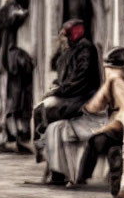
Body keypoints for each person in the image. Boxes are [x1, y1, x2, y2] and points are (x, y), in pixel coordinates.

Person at [76, 46, 124, 198]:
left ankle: (82, 176)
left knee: (98, 142)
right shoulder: (117, 80)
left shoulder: (116, 81)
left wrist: (106, 127)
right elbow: (97, 103)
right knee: (115, 157)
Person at [33, 19, 100, 158]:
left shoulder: (85, 50)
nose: (61, 39)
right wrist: (56, 86)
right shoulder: (69, 50)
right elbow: (65, 76)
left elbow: (80, 80)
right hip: (70, 93)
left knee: (47, 109)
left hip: (81, 96)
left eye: (64, 36)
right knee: (40, 108)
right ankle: (44, 146)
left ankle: (47, 147)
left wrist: (58, 91)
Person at [0, 0, 34, 154]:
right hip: (10, 59)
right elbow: (9, 24)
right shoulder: (10, 7)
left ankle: (20, 133)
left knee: (21, 98)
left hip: (21, 60)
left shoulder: (22, 4)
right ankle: (10, 135)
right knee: (10, 98)